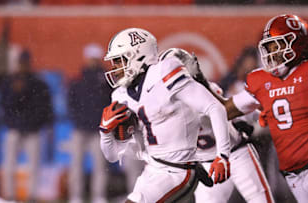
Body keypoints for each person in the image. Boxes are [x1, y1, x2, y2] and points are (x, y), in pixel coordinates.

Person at [193, 14, 308, 203]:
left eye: (277, 46)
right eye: (269, 48)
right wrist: (201, 85)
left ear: (296, 44)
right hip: (293, 174)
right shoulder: (261, 81)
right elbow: (224, 110)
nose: (272, 54)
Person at [99, 27, 231, 203]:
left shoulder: (163, 72)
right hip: (151, 170)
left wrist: (222, 156)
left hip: (177, 171)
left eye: (119, 61)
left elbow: (215, 107)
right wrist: (105, 132)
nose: (115, 68)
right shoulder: (120, 95)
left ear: (138, 55)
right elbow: (113, 155)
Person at [160, 48, 274, 203]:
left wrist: (201, 81)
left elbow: (219, 108)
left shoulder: (207, 90)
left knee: (261, 200)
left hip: (235, 154)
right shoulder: (159, 102)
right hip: (207, 163)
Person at [0, 49, 53, 201]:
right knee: (9, 165)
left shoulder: (38, 82)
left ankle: (32, 197)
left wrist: (35, 123)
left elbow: (44, 107)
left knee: (34, 166)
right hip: (14, 129)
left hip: (32, 130)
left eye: (25, 63)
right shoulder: (9, 82)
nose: (23, 66)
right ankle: (9, 196)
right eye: (21, 63)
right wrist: (15, 93)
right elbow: (4, 106)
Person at [67, 43, 111, 203]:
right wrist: (77, 120)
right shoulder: (79, 79)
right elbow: (71, 102)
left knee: (99, 165)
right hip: (80, 128)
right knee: (76, 164)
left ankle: (99, 196)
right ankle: (76, 196)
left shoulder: (106, 80)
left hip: (99, 129)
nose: (93, 61)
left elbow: (110, 102)